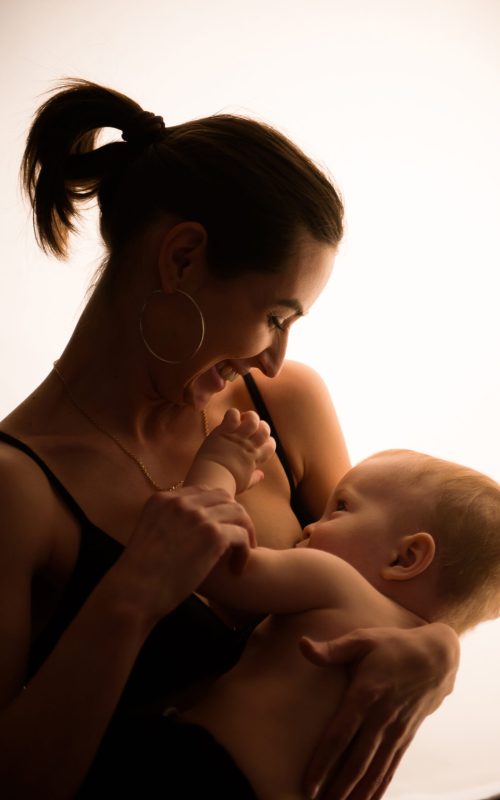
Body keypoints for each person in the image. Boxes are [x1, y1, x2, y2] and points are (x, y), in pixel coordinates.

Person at [0, 78, 459, 800]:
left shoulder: (284, 404)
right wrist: (132, 592)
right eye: (276, 315)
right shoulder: (17, 489)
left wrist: (437, 650)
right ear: (182, 259)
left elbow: (388, 587)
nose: (277, 357)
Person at [169, 408, 500, 800]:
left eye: (341, 507)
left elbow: (211, 559)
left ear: (405, 558)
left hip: (202, 770)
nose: (311, 525)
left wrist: (219, 467)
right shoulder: (404, 669)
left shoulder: (331, 580)